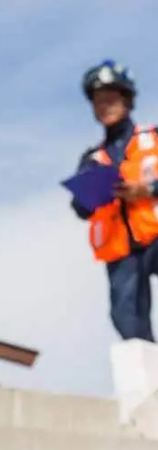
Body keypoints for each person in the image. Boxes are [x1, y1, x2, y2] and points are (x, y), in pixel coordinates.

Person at [69, 59, 158, 341]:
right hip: (121, 248)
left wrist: (148, 190)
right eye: (98, 102)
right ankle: (149, 380)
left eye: (110, 99)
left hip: (155, 233)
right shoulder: (91, 159)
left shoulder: (153, 138)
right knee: (127, 316)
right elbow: (80, 208)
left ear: (127, 100)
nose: (105, 106)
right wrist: (92, 193)